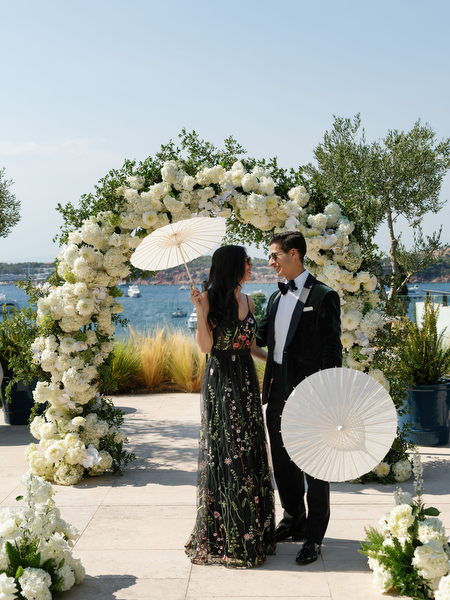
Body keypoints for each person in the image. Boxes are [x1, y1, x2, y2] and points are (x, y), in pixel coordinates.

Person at [185, 245, 276, 568]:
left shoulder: (248, 301)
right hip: (220, 379)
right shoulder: (208, 299)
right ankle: (229, 535)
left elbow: (249, 346)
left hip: (246, 380)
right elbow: (206, 347)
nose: (251, 266)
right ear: (233, 266)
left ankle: (254, 532)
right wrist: (200, 312)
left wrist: (278, 363)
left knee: (249, 448)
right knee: (228, 451)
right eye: (247, 262)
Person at [256, 231, 342, 565]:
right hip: (277, 390)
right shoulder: (275, 298)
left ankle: (314, 536)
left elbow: (332, 348)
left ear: (294, 254)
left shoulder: (323, 296)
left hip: (310, 394)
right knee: (283, 461)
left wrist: (326, 394)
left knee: (314, 467)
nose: (271, 261)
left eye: (275, 255)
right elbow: (260, 338)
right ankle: (293, 518)